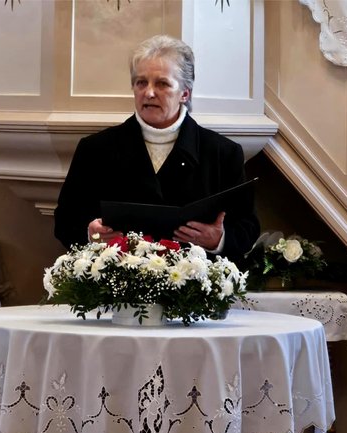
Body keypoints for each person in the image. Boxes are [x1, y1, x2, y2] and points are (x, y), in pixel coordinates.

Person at [54, 34, 260, 262]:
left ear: (185, 93)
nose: (149, 93)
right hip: (118, 278)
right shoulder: (95, 149)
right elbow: (65, 222)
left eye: (162, 83)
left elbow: (247, 229)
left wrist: (218, 239)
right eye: (141, 82)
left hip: (193, 281)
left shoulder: (223, 153)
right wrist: (90, 233)